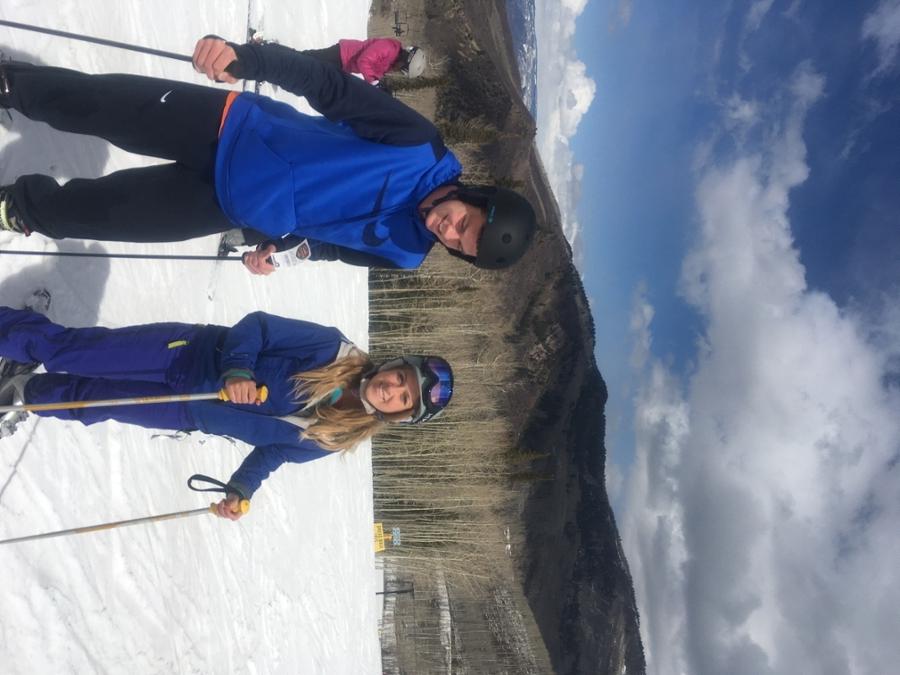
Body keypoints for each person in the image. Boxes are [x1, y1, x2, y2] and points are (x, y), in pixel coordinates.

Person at [0, 37, 537, 272]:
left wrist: (279, 251)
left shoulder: (404, 254)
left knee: (95, 216)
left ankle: (17, 209)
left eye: (462, 243)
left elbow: (330, 248)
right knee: (96, 105)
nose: (450, 230)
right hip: (229, 129)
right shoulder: (417, 147)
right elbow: (329, 88)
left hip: (226, 206)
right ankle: (11, 87)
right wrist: (247, 58)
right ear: (475, 196)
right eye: (466, 221)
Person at [0, 306, 454, 519]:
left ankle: (24, 389)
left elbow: (275, 452)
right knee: (73, 353)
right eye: (399, 378)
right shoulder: (331, 349)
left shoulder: (336, 434)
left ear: (399, 415)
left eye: (402, 398)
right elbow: (257, 327)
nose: (391, 389)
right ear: (393, 366)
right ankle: (13, 333)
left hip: (188, 415)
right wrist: (238, 369)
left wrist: (241, 488)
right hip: (186, 355)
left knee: (89, 405)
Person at [301, 38, 426, 84]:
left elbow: (375, 72)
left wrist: (380, 82)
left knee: (313, 69)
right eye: (402, 70)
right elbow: (364, 61)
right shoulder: (388, 47)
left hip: (345, 64)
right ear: (404, 61)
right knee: (308, 59)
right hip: (342, 53)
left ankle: (285, 61)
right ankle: (282, 55)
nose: (398, 71)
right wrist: (372, 82)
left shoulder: (391, 63)